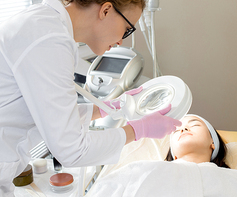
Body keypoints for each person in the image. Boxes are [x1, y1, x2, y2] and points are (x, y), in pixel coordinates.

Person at [0, 0, 181, 196]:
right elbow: (72, 150)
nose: (121, 41)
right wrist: (139, 130)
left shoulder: (48, 27)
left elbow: (50, 112)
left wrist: (104, 108)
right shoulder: (49, 39)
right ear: (106, 10)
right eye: (127, 29)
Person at [85, 114, 237, 197]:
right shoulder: (140, 170)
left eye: (195, 124)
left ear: (212, 143)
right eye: (176, 129)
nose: (183, 127)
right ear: (173, 152)